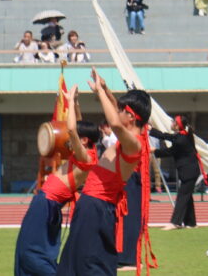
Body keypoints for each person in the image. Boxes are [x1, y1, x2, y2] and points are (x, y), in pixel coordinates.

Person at [57, 69, 153, 276]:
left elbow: (117, 123)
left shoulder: (134, 144)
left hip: (96, 206)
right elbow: (121, 116)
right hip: (95, 205)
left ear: (130, 116)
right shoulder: (133, 136)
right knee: (81, 260)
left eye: (121, 110)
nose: (115, 112)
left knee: (89, 263)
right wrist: (106, 90)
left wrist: (100, 90)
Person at [14, 87, 98, 275]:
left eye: (76, 137)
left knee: (30, 252)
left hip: (46, 203)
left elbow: (72, 128)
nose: (70, 138)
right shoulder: (88, 152)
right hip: (48, 204)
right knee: (34, 251)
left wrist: (67, 99)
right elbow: (78, 125)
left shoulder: (86, 158)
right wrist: (75, 103)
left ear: (83, 140)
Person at [151, 115, 202, 230]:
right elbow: (166, 136)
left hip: (189, 172)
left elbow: (169, 151)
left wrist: (154, 151)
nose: (171, 122)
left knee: (182, 197)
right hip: (190, 171)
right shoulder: (183, 135)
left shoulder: (181, 139)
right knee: (187, 197)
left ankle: (175, 222)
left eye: (173, 121)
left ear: (177, 125)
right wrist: (151, 130)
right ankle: (191, 223)